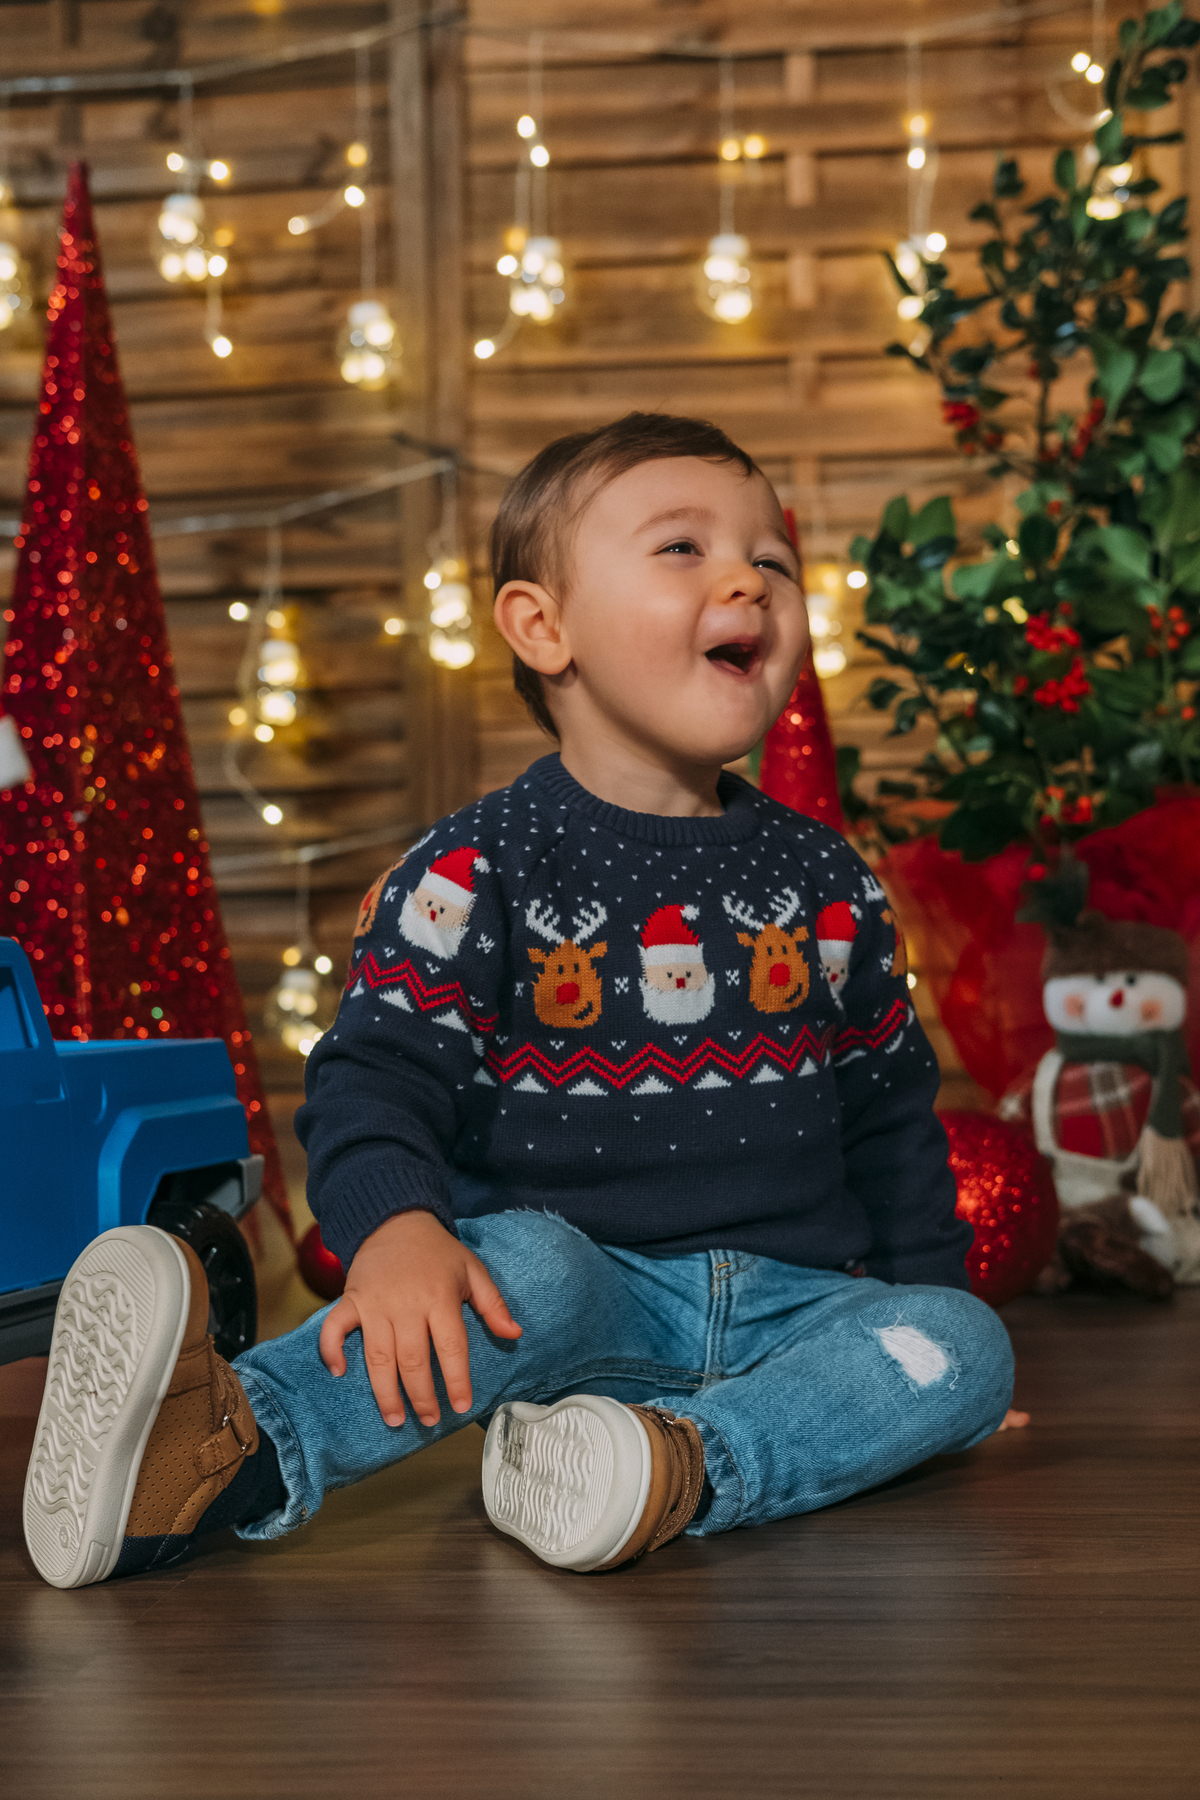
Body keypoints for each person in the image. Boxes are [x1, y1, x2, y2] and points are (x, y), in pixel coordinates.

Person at [23, 412, 1023, 1590]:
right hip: (578, 1305)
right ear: (543, 627)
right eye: (684, 548)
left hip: (798, 1316)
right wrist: (395, 1233)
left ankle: (666, 1468)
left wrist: (923, 1323)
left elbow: (891, 1119)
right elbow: (373, 1078)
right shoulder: (475, 870)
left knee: (962, 1347)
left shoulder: (829, 882)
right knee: (527, 1270)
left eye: (773, 558)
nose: (750, 579)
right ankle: (222, 1448)